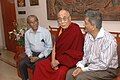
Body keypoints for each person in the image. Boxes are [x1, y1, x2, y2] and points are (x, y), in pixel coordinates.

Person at [66, 9, 118, 80]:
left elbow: (103, 65)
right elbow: (86, 57)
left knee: (81, 78)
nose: (84, 25)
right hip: (92, 66)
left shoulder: (109, 40)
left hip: (108, 70)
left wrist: (83, 70)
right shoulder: (88, 36)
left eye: (86, 23)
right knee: (69, 73)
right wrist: (80, 67)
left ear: (93, 26)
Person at [32, 9, 84, 80]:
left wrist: (58, 61)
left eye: (64, 19)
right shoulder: (60, 29)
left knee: (61, 72)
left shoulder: (75, 29)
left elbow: (76, 53)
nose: (62, 22)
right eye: (59, 20)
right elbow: (55, 47)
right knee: (39, 65)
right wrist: (53, 61)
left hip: (68, 61)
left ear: (70, 19)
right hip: (56, 58)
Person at [19, 15, 52, 80]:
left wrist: (38, 57)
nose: (34, 24)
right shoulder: (27, 33)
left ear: (38, 21)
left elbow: (49, 48)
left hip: (44, 55)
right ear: (28, 24)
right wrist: (30, 56)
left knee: (36, 65)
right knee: (21, 64)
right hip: (32, 54)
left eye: (35, 21)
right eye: (31, 22)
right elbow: (27, 47)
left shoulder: (45, 32)